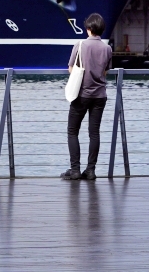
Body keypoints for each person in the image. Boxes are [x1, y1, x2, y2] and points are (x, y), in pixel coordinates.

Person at [62, 12, 113, 181]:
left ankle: (75, 170)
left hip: (81, 95)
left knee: (72, 131)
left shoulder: (81, 45)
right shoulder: (107, 48)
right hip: (100, 96)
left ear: (88, 28)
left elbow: (71, 69)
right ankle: (90, 170)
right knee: (94, 133)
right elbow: (105, 71)